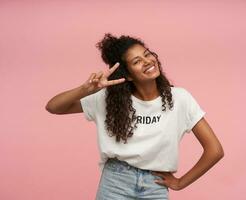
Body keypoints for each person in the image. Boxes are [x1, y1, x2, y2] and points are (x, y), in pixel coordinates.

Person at [45, 33, 224, 200]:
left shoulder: (180, 98)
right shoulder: (109, 99)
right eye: (137, 61)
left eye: (147, 54)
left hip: (155, 185)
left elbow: (215, 150)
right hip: (115, 182)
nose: (148, 61)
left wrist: (180, 182)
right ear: (128, 75)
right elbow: (53, 107)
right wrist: (86, 89)